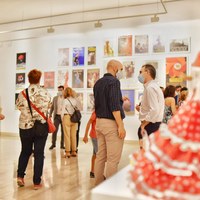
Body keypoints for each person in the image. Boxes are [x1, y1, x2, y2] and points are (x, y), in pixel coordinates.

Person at [16, 69, 51, 190]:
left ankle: (20, 176)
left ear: (28, 79)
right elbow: (48, 106)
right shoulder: (45, 92)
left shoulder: (22, 93)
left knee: (25, 151)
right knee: (39, 154)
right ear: (39, 79)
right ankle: (36, 182)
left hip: (25, 126)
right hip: (41, 126)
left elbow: (18, 106)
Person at [93, 59, 126, 185]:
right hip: (111, 123)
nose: (122, 72)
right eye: (121, 69)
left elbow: (102, 102)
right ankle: (110, 188)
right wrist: (120, 125)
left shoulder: (98, 83)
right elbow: (114, 106)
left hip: (99, 123)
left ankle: (98, 184)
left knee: (100, 156)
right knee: (113, 159)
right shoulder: (114, 82)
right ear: (114, 68)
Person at [137, 64, 164, 150]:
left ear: (147, 72)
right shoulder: (152, 87)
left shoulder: (150, 88)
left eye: (141, 72)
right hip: (152, 125)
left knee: (147, 152)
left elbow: (154, 110)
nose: (139, 75)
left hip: (150, 126)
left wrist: (144, 124)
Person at [61, 87, 80, 158]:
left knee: (67, 135)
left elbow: (62, 111)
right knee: (73, 135)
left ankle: (68, 152)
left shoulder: (65, 100)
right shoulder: (75, 100)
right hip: (74, 119)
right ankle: (74, 151)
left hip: (67, 117)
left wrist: (62, 118)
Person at [49, 85, 65, 150]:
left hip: (64, 116)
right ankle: (53, 144)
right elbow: (52, 107)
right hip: (57, 116)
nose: (60, 91)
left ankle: (62, 145)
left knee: (63, 131)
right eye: (59, 90)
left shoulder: (66, 98)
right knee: (54, 130)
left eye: (61, 90)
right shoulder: (55, 98)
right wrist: (50, 114)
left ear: (63, 90)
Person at [83, 110, 97, 178]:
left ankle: (92, 171)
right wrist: (85, 135)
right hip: (95, 136)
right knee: (100, 155)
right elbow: (89, 123)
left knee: (95, 154)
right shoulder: (96, 112)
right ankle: (100, 173)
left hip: (100, 137)